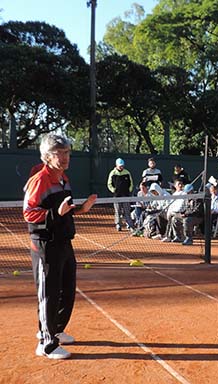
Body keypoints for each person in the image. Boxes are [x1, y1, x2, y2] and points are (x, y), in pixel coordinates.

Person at [23, 134, 97, 359]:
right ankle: (46, 343)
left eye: (67, 152)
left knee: (67, 290)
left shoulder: (63, 178)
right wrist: (56, 213)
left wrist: (81, 209)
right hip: (45, 245)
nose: (65, 157)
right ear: (47, 156)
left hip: (64, 241)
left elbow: (65, 209)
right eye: (59, 153)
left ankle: (56, 330)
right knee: (49, 294)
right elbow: (29, 213)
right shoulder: (39, 180)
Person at [107, 158, 134, 231]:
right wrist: (114, 190)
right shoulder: (113, 173)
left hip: (126, 196)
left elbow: (131, 183)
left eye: (122, 166)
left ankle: (129, 225)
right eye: (120, 166)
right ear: (116, 165)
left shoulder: (127, 173)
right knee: (117, 211)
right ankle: (118, 225)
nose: (121, 167)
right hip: (117, 196)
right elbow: (109, 184)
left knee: (127, 211)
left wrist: (129, 190)